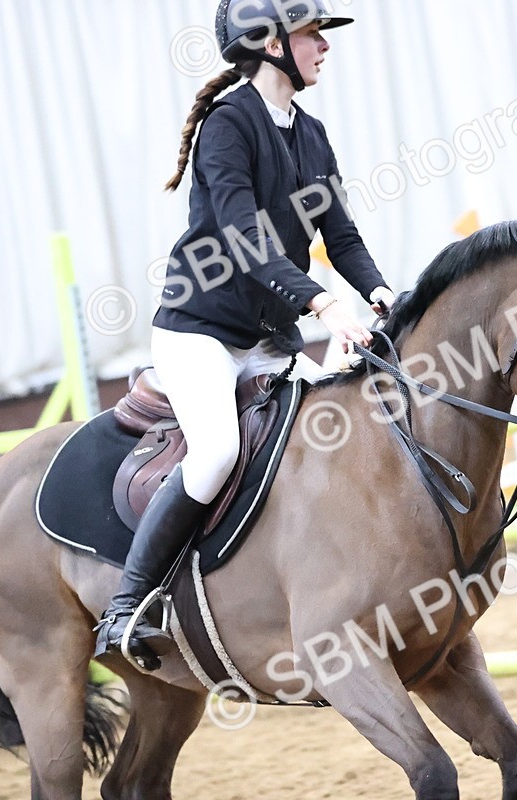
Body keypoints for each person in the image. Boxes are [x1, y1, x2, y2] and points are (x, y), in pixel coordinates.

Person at [95, 0, 394, 669]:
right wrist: (321, 303)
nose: (324, 45)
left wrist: (382, 293)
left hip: (268, 338)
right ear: (272, 45)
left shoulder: (311, 134)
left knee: (336, 429)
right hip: (199, 332)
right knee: (216, 453)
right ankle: (126, 606)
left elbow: (340, 235)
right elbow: (244, 237)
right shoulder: (228, 126)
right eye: (313, 33)